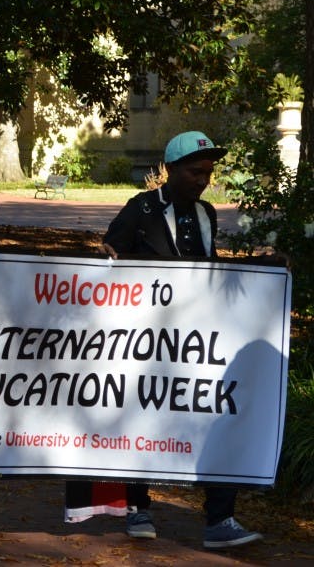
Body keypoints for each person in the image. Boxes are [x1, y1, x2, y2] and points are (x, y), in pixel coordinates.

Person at [64, 130, 262, 550]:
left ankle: (220, 518)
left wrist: (264, 269)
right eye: (195, 171)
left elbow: (212, 274)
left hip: (198, 342)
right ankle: (139, 507)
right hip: (145, 339)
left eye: (208, 172)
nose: (203, 179)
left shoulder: (207, 213)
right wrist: (104, 256)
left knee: (220, 415)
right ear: (169, 170)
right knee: (140, 416)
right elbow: (109, 254)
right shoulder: (141, 209)